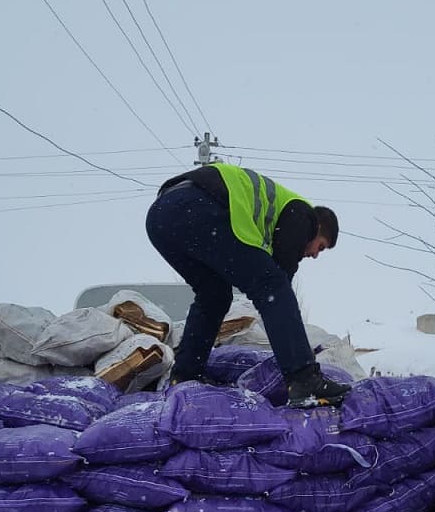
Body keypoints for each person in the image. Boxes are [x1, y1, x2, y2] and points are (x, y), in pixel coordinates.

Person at [146, 162, 351, 407]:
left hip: (161, 217)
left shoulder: (280, 216)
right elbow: (279, 277)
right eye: (320, 247)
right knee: (273, 286)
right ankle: (304, 378)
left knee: (214, 294)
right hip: (197, 205)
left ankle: (185, 375)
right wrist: (291, 336)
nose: (315, 255)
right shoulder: (303, 214)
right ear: (317, 227)